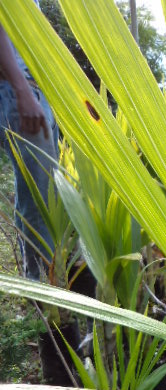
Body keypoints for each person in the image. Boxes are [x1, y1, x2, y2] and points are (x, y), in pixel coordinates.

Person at [0, 1, 58, 280]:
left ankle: (43, 279)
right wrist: (21, 89)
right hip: (18, 88)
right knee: (38, 194)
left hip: (33, 89)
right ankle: (39, 286)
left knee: (46, 189)